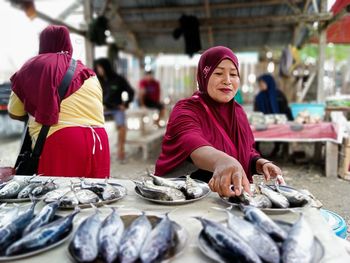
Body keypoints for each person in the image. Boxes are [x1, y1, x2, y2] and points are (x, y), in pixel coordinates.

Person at [155, 46, 285, 197]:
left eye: (233, 74)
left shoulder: (238, 112)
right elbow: (191, 142)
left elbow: (245, 151)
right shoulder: (186, 109)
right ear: (204, 76)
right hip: (188, 197)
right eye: (218, 73)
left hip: (231, 196)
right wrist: (221, 161)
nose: (227, 81)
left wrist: (260, 163)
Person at [8, 25, 110, 178]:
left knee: (56, 198)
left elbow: (14, 113)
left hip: (62, 141)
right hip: (99, 142)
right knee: (94, 199)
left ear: (42, 43)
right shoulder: (88, 72)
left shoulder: (33, 66)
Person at [94, 58, 135, 162]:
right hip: (101, 108)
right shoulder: (95, 80)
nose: (99, 70)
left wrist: (125, 104)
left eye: (100, 67)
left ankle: (121, 149)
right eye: (97, 67)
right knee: (91, 124)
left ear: (106, 67)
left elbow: (131, 92)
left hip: (117, 108)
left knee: (122, 126)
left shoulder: (118, 79)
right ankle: (96, 151)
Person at [254, 74, 294, 157]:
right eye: (260, 83)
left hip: (279, 121)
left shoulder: (279, 95)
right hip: (263, 121)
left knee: (282, 129)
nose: (260, 85)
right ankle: (256, 151)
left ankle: (278, 148)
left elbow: (285, 110)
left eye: (262, 83)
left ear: (269, 83)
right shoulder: (259, 97)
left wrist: (282, 120)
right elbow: (256, 111)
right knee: (254, 130)